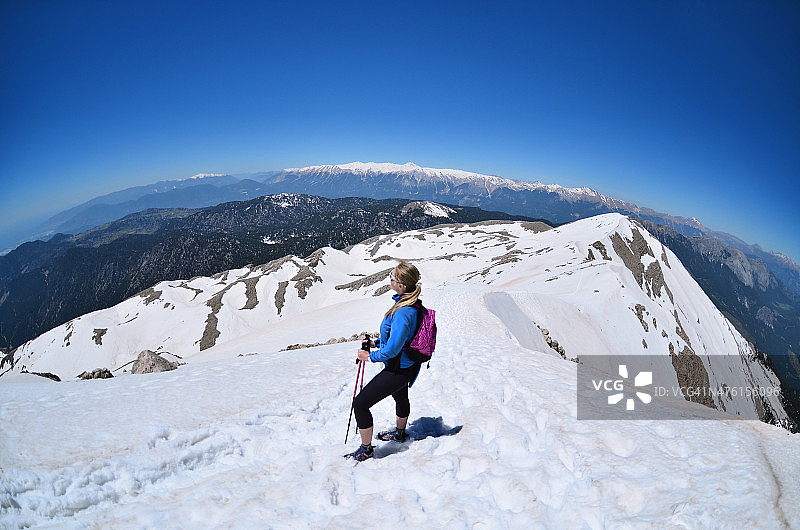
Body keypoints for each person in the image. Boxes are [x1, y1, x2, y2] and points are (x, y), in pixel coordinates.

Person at [347, 261, 423, 461]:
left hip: (398, 368)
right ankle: (399, 434)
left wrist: (369, 356)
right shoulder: (410, 304)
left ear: (402, 285)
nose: (389, 278)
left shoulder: (403, 312)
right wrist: (376, 342)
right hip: (407, 365)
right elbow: (401, 338)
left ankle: (366, 449)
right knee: (400, 397)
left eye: (392, 276)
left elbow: (393, 349)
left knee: (361, 404)